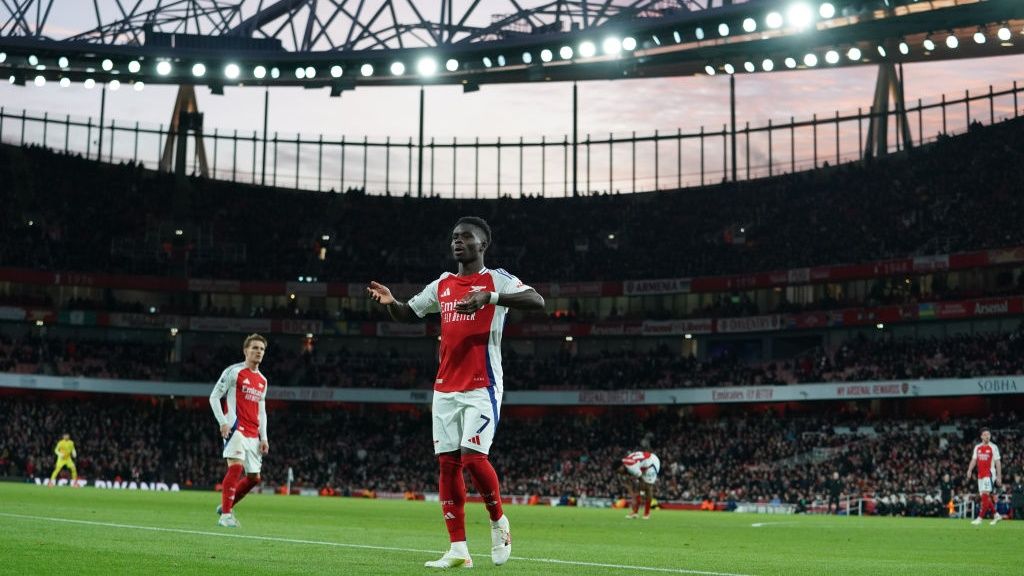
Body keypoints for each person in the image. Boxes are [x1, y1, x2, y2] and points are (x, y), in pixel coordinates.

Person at [367, 216, 545, 569]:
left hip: (483, 385)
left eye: (466, 237)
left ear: (483, 244)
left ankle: (498, 523)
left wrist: (489, 298)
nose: (457, 242)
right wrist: (391, 301)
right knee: (447, 465)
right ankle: (458, 550)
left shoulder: (497, 279)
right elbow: (408, 313)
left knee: (472, 457)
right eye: (454, 237)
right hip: (445, 388)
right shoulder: (443, 284)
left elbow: (537, 300)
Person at [209, 333, 270, 528]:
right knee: (236, 468)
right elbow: (214, 397)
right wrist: (223, 422)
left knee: (254, 478)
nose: (259, 352)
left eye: (261, 349)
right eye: (255, 348)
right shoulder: (234, 372)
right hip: (235, 428)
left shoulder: (262, 381)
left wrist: (264, 437)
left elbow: (262, 410)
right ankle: (226, 516)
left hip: (253, 433)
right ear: (246, 351)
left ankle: (226, 505)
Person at [966, 428, 1002, 525]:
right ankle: (996, 514)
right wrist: (969, 470)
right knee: (984, 497)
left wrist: (999, 476)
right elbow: (974, 460)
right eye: (985, 435)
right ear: (981, 436)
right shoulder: (977, 447)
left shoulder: (993, 447)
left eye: (988, 434)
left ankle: (980, 518)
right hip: (980, 475)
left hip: (989, 474)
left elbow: (998, 462)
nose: (987, 436)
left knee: (985, 495)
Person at [618, 451, 660, 519]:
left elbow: (641, 481)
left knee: (647, 487)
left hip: (652, 463)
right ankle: (635, 513)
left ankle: (646, 513)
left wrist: (642, 493)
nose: (619, 473)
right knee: (638, 489)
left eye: (618, 471)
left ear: (621, 466)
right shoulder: (624, 463)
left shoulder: (631, 467)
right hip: (644, 464)